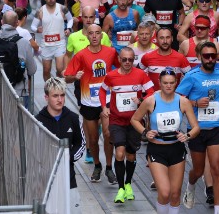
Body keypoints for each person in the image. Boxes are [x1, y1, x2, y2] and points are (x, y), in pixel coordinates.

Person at [177, 40, 219, 212]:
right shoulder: (191, 76)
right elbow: (178, 99)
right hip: (196, 130)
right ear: (199, 57)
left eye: (213, 56)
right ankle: (191, 185)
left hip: (217, 128)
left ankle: (218, 210)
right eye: (207, 56)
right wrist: (195, 103)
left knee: (217, 170)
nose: (210, 59)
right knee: (198, 170)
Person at [130, 68, 200, 214]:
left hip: (176, 149)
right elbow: (135, 120)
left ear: (176, 83)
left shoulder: (183, 101)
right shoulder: (150, 101)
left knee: (175, 194)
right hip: (157, 149)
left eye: (172, 83)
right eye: (165, 83)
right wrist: (145, 132)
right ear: (159, 83)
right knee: (164, 192)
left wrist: (187, 136)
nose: (168, 86)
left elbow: (196, 128)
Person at [63, 22, 118, 183]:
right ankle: (97, 165)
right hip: (88, 101)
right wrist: (75, 77)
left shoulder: (111, 52)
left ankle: (109, 167)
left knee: (108, 134)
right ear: (87, 35)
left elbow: (122, 68)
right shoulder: (80, 55)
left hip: (106, 100)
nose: (94, 36)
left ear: (102, 35)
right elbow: (66, 77)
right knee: (93, 139)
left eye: (97, 33)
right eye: (91, 33)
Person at [100, 46, 154, 203]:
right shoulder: (111, 76)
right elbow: (102, 91)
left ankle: (128, 183)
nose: (128, 62)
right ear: (119, 60)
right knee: (120, 153)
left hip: (134, 121)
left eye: (131, 59)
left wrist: (142, 100)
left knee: (131, 155)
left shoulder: (141, 74)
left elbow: (151, 92)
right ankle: (121, 188)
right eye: (124, 59)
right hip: (117, 120)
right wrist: (104, 107)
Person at [35, 77, 85, 214]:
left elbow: (81, 143)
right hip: (45, 182)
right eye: (55, 96)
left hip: (69, 179)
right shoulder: (37, 121)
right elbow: (30, 148)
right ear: (46, 97)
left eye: (62, 95)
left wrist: (69, 158)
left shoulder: (73, 118)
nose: (60, 99)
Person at [31, 0, 74, 81]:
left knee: (60, 69)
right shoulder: (40, 11)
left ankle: (58, 87)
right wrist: (37, 30)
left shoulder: (62, 8)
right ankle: (49, 89)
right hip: (46, 45)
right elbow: (33, 26)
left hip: (60, 43)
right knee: (46, 70)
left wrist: (69, 28)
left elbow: (70, 19)